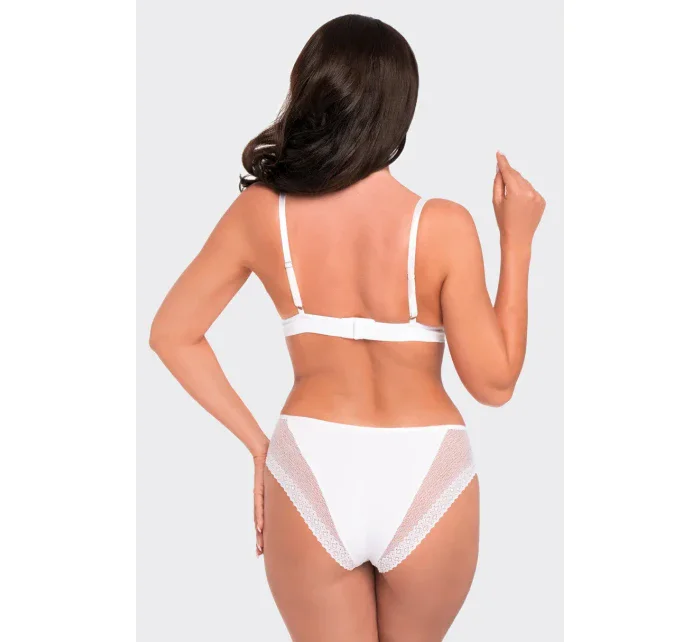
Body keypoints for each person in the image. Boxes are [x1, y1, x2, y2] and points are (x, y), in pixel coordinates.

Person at [150, 13, 545, 642]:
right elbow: (494, 384)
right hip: (426, 467)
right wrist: (516, 240)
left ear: (309, 89)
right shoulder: (443, 226)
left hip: (311, 463)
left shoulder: (262, 213)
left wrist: (259, 446)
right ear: (400, 111)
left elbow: (172, 333)